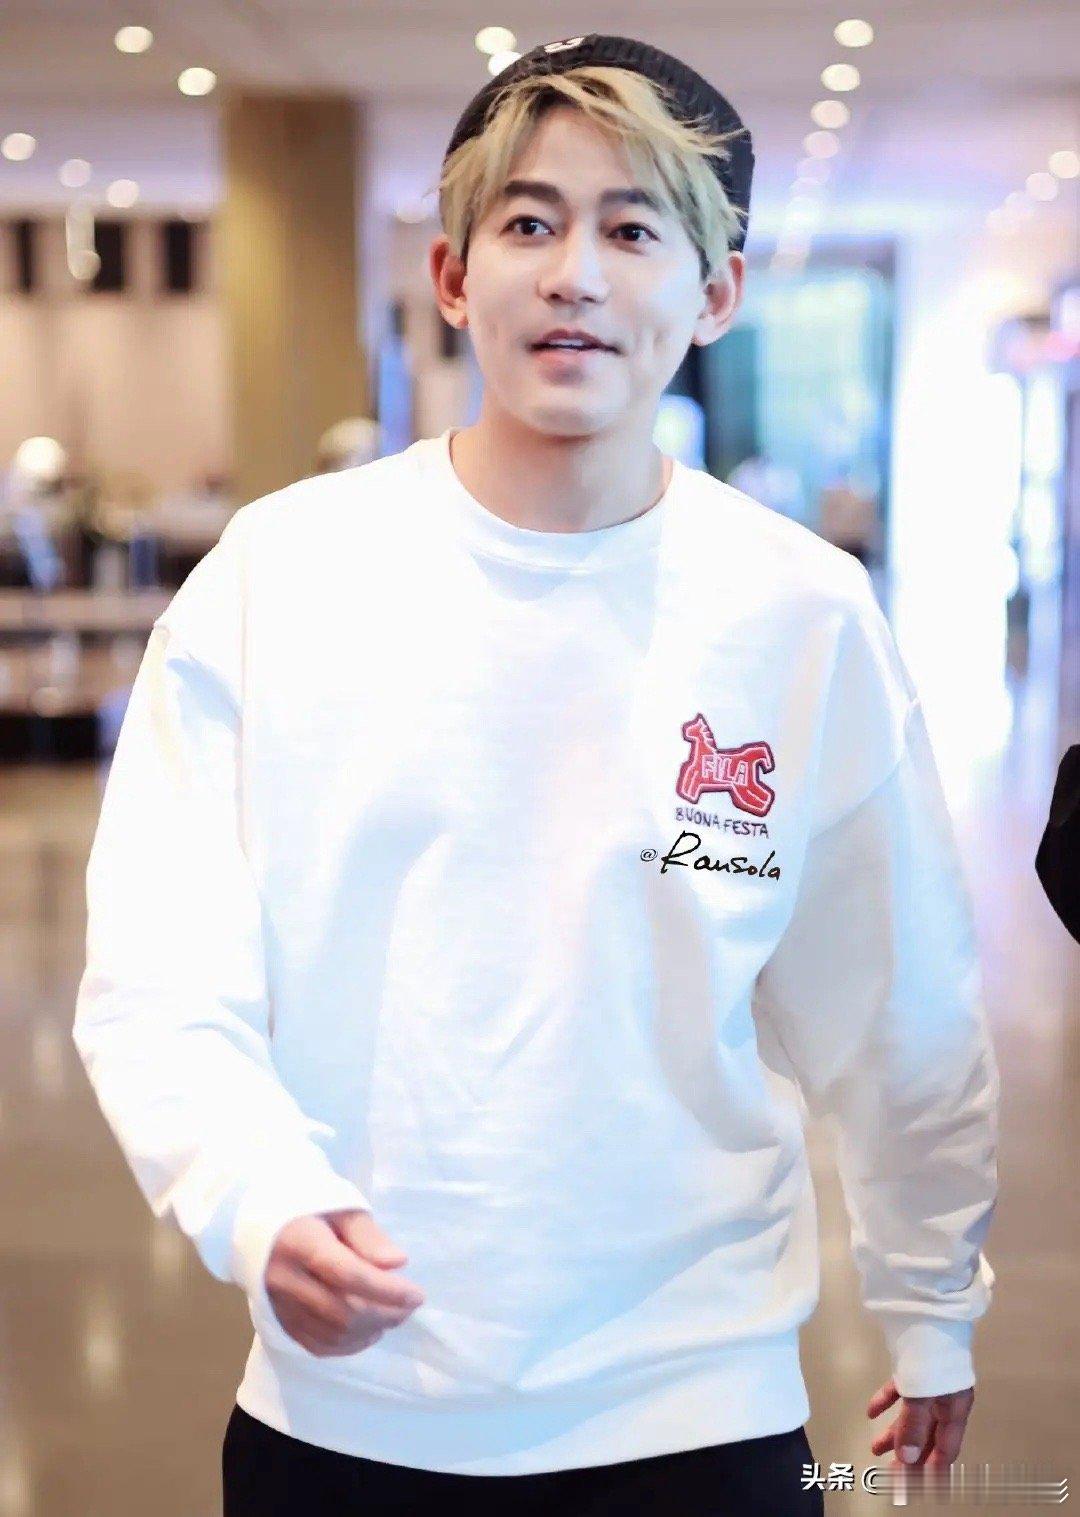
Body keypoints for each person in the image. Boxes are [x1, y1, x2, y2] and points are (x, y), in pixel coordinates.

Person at [72, 33, 1000, 1516]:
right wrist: (258, 1193)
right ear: (453, 276)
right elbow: (159, 971)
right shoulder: (283, 576)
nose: (575, 275)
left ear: (716, 293)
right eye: (528, 223)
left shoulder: (799, 610)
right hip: (352, 1415)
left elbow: (901, 1004)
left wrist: (929, 1294)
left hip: (700, 1409)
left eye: (632, 229)